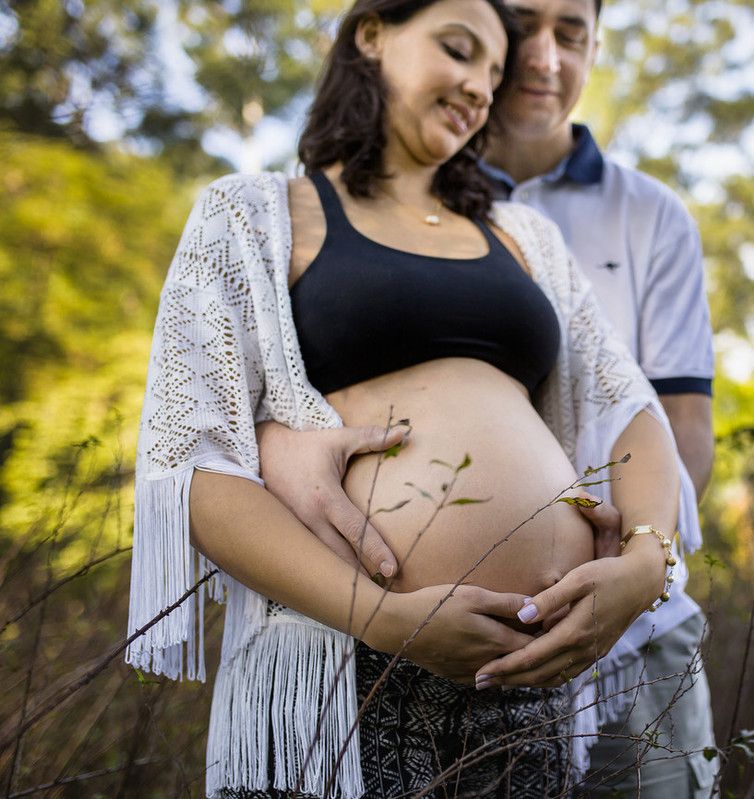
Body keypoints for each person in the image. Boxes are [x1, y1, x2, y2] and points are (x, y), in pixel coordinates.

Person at [125, 0, 698, 795]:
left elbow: (628, 407)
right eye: (458, 51)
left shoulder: (522, 237)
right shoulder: (253, 215)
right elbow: (194, 465)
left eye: (492, 76)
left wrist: (645, 561)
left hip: (530, 675)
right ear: (372, 33)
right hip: (340, 673)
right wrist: (388, 619)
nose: (478, 86)